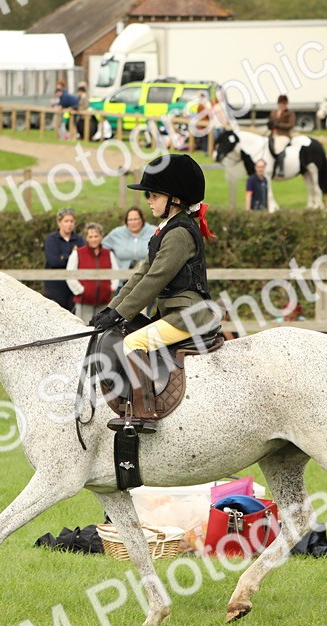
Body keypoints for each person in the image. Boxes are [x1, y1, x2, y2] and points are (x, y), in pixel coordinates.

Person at [89, 154, 219, 432]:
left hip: (189, 315)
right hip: (175, 313)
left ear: (175, 198)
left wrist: (122, 312)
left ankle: (144, 413)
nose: (148, 199)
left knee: (133, 342)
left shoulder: (181, 233)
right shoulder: (166, 230)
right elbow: (140, 274)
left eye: (154, 194)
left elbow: (155, 280)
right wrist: (112, 310)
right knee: (124, 329)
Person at [65, 222, 119, 323]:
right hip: (84, 301)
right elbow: (70, 275)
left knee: (102, 330)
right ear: (86, 238)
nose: (94, 239)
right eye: (90, 236)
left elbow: (115, 273)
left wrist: (112, 287)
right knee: (84, 330)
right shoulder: (78, 253)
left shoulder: (108, 254)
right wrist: (81, 290)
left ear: (101, 236)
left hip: (104, 302)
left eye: (96, 236)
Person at [43, 208, 79, 312]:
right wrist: (72, 257)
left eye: (71, 221)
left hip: (73, 288)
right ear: (59, 222)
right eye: (66, 221)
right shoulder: (51, 239)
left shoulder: (79, 239)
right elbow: (54, 262)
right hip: (55, 287)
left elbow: (82, 261)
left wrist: (63, 257)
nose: (69, 224)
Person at [102, 207, 156, 272]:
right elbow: (101, 247)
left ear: (142, 219)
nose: (133, 222)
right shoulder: (116, 233)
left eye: (136, 219)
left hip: (149, 274)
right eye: (130, 220)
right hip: (122, 277)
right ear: (126, 221)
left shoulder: (154, 232)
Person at [267, 95, 295, 176]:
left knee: (278, 148)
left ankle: (281, 169)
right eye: (280, 104)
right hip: (272, 135)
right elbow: (271, 123)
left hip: (284, 135)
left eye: (283, 104)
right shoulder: (274, 112)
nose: (282, 106)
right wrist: (270, 124)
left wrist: (278, 125)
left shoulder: (290, 113)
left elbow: (290, 125)